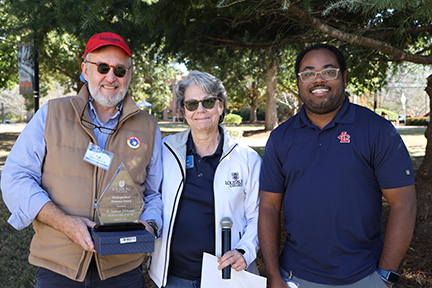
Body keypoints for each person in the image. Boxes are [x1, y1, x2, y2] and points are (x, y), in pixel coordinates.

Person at [1, 32, 163, 288]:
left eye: (120, 70)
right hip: (59, 267)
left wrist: (151, 224)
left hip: (123, 268)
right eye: (102, 67)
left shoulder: (149, 127)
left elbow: (156, 193)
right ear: (85, 71)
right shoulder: (51, 114)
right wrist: (64, 223)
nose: (111, 77)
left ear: (129, 75)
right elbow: (16, 177)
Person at [258, 43, 416, 288]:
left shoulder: (377, 130)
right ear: (299, 82)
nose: (318, 80)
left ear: (343, 76)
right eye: (308, 73)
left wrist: (385, 276)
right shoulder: (281, 138)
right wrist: (273, 275)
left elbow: (403, 202)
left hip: (363, 277)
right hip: (295, 276)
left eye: (328, 71)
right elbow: (268, 207)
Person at [148, 71, 262, 288]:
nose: (200, 110)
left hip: (227, 277)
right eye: (192, 104)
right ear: (184, 111)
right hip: (172, 277)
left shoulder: (247, 159)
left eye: (208, 102)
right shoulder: (164, 151)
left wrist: (244, 251)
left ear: (220, 106)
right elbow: (151, 197)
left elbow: (258, 217)